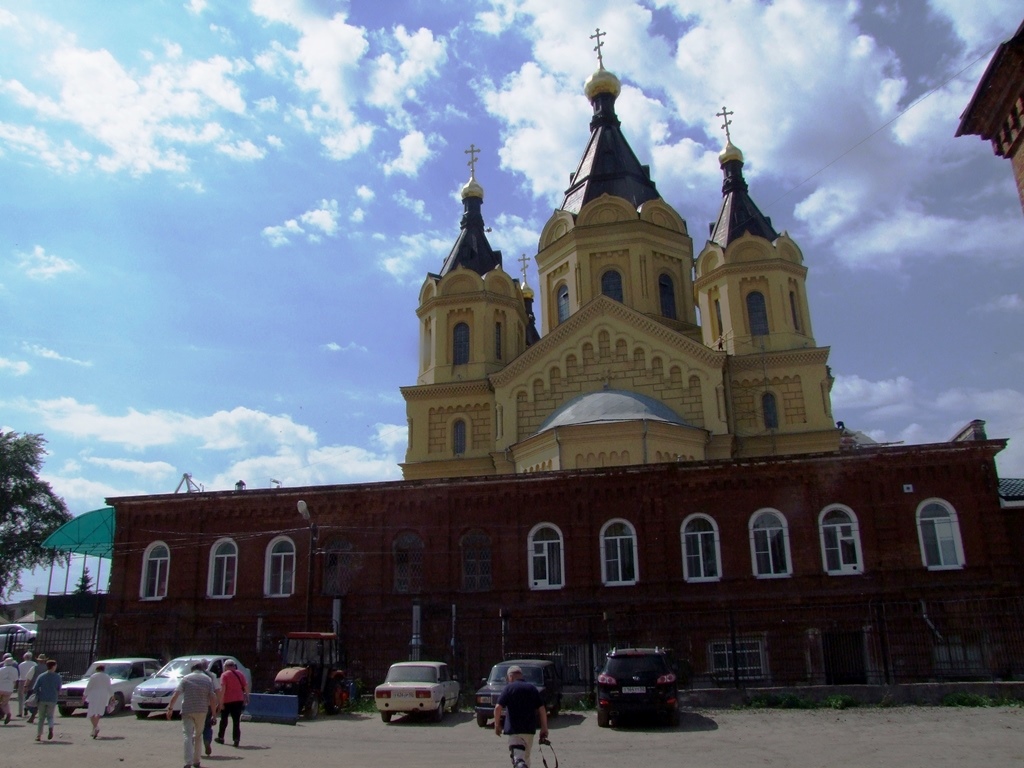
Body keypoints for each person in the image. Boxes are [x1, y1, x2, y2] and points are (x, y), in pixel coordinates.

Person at [494, 665, 548, 768]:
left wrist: (497, 725)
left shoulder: (508, 688)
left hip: (515, 732)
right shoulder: (532, 689)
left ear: (510, 676)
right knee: (525, 760)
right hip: (529, 731)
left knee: (518, 760)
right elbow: (542, 709)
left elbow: (497, 708)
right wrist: (544, 728)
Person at [166, 661, 217, 768]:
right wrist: (214, 714)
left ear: (192, 669)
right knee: (198, 736)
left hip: (187, 710)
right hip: (202, 710)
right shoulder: (207, 679)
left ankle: (187, 762)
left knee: (187, 736)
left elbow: (176, 693)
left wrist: (170, 708)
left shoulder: (186, 678)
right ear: (202, 669)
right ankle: (196, 761)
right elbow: (212, 697)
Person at [215, 658, 247, 748]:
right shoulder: (240, 674)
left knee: (224, 720)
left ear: (226, 667)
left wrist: (220, 702)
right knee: (236, 721)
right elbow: (246, 686)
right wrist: (247, 697)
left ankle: (221, 737)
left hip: (227, 700)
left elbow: (223, 689)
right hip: (239, 700)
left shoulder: (224, 675)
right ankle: (236, 739)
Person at [30, 658, 61, 742]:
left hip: (42, 699)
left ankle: (39, 735)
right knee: (50, 716)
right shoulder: (57, 677)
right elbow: (59, 689)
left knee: (41, 718)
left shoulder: (42, 676)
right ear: (53, 666)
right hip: (52, 699)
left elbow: (35, 688)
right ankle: (50, 728)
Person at [198, 660, 221, 757]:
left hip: (194, 705)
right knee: (207, 726)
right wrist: (219, 703)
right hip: (207, 705)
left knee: (195, 727)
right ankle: (207, 741)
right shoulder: (212, 676)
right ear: (207, 666)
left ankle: (194, 748)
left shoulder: (191, 676)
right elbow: (217, 690)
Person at [84, 663, 113, 739]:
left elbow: (89, 686)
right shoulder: (107, 677)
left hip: (94, 695)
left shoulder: (94, 676)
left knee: (91, 712)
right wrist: (112, 695)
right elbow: (109, 687)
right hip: (103, 696)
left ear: (97, 669)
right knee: (99, 712)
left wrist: (84, 695)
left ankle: (96, 727)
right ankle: (94, 729)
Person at [25, 653, 46, 723]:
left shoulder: (34, 668)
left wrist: (25, 686)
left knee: (29, 701)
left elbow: (29, 678)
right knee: (39, 702)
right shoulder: (47, 668)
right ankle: (34, 715)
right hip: (44, 688)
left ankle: (32, 713)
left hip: (33, 687)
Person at [0, 657, 19, 725]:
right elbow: (15, 680)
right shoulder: (15, 670)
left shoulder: (1, 669)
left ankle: (2, 713)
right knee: (5, 703)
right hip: (9, 688)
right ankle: (8, 713)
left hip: (1, 687)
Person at [18, 652, 34, 717]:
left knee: (21, 697)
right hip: (31, 681)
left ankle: (20, 712)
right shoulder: (34, 664)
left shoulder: (21, 664)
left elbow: (19, 673)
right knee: (29, 696)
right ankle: (27, 707)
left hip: (22, 680)